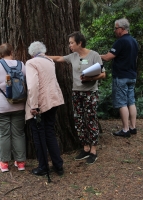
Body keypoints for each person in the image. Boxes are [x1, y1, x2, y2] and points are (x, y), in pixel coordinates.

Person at [48, 31, 106, 165]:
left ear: (79, 43)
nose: (70, 45)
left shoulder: (94, 55)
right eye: (69, 43)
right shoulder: (73, 56)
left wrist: (90, 78)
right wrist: (43, 57)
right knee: (79, 120)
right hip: (76, 93)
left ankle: (93, 150)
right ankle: (85, 148)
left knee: (91, 119)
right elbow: (58, 58)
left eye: (72, 43)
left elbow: (103, 74)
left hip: (90, 93)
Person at [26, 41, 64, 176]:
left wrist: (34, 105)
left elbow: (33, 85)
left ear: (31, 53)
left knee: (38, 134)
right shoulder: (49, 61)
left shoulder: (31, 63)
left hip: (41, 103)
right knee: (49, 132)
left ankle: (43, 166)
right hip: (54, 99)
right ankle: (58, 165)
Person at [0, 43, 26, 172]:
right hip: (19, 104)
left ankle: (4, 163)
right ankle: (20, 163)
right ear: (12, 52)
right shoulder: (21, 65)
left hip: (0, 106)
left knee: (3, 134)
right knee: (18, 133)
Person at [100, 18, 138, 138]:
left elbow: (107, 57)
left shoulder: (121, 42)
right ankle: (133, 127)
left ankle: (125, 129)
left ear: (121, 29)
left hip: (121, 76)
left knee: (122, 103)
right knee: (131, 101)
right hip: (132, 76)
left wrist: (95, 55)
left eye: (116, 28)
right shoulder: (134, 41)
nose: (114, 31)